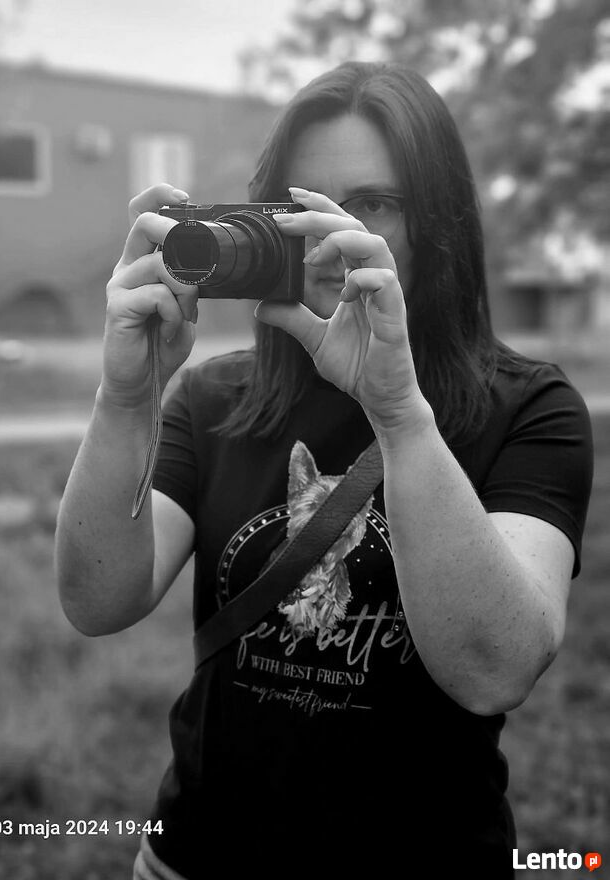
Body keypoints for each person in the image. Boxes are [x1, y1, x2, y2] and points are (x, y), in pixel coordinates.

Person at [55, 62, 593, 880]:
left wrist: (399, 412)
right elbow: (98, 599)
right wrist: (127, 395)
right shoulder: (214, 398)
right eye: (299, 204)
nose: (331, 233)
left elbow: (496, 669)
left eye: (372, 202)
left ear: (437, 222)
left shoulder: (528, 408)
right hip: (199, 857)